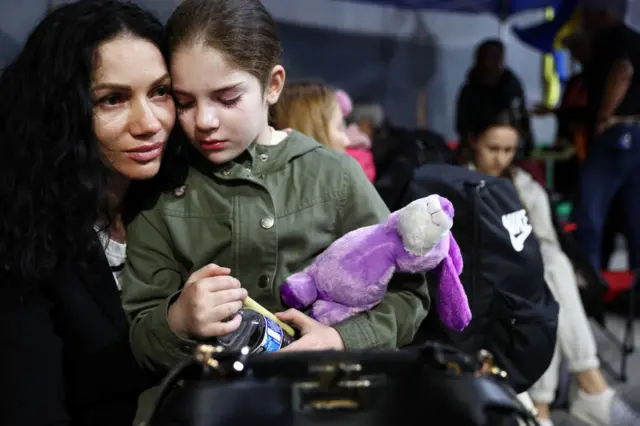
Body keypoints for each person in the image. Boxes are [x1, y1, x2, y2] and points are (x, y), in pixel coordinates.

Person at [122, 0, 428, 379]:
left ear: (273, 86)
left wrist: (341, 339)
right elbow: (137, 335)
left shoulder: (334, 176)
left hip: (321, 400)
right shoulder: (161, 191)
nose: (204, 120)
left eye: (227, 98)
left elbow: (409, 292)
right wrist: (178, 321)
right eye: (184, 102)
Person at [0, 1, 176, 425]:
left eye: (160, 91)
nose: (148, 122)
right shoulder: (22, 234)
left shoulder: (184, 200)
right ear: (61, 111)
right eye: (113, 99)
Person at [467, 111, 639, 426]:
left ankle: (543, 408)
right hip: (483, 277)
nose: (500, 159)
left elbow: (548, 240)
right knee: (548, 275)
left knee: (552, 269)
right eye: (492, 148)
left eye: (508, 150)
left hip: (531, 275)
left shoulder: (523, 183)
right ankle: (588, 389)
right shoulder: (457, 183)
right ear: (474, 141)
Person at [572, 0, 640, 271]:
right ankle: (634, 291)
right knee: (634, 215)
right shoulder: (635, 39)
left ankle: (588, 281)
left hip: (617, 132)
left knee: (589, 210)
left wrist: (605, 115)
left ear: (602, 13)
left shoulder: (610, 38)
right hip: (634, 133)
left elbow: (622, 69)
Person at [456, 39, 534, 161]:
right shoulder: (471, 89)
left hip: (511, 149)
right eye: (491, 57)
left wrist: (527, 146)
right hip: (478, 150)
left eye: (500, 57)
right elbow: (463, 123)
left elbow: (522, 118)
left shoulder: (512, 86)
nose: (496, 62)